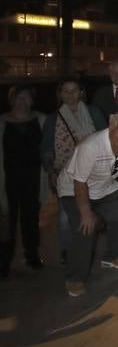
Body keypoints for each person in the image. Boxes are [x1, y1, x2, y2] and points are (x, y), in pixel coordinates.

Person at [59, 110, 118, 297]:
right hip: (73, 188)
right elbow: (79, 182)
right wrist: (85, 212)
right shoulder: (91, 146)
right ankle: (75, 277)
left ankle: (113, 255)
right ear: (111, 126)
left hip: (105, 186)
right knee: (85, 227)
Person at [41, 78, 106, 264]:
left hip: (92, 173)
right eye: (66, 91)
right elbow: (47, 148)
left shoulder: (94, 113)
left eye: (74, 90)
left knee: (89, 213)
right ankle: (66, 251)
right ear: (60, 94)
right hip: (66, 175)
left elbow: (104, 139)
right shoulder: (53, 118)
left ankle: (86, 249)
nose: (70, 95)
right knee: (65, 217)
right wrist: (51, 171)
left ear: (81, 92)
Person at [0, 85, 46, 274]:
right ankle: (3, 261)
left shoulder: (41, 120)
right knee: (6, 220)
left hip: (33, 178)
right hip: (7, 179)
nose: (22, 101)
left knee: (31, 219)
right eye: (18, 97)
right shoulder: (2, 122)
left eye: (26, 97)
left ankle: (32, 255)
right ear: (11, 100)